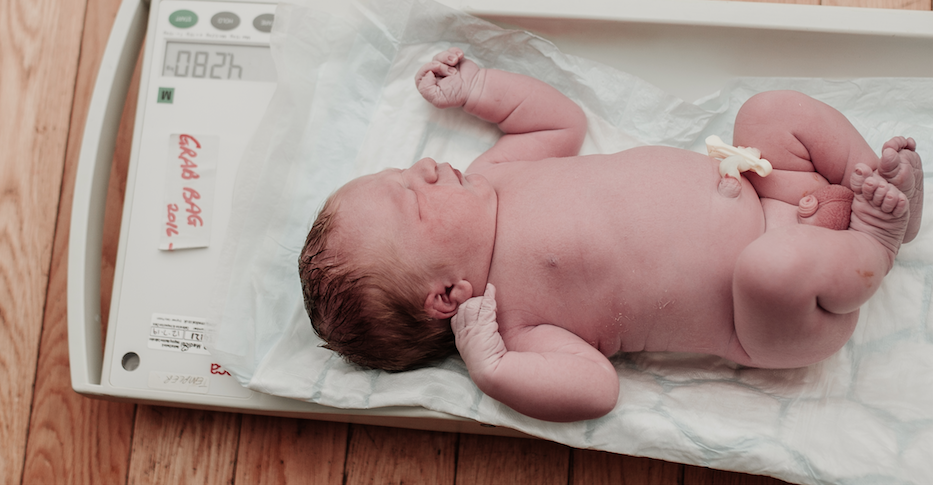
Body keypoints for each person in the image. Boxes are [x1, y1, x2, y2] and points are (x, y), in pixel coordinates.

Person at [298, 48, 923, 422]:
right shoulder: (517, 325)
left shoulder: (494, 178)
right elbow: (596, 390)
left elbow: (557, 121)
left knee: (770, 110)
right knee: (768, 268)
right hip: (777, 311)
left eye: (403, 172)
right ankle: (875, 239)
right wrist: (493, 370)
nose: (425, 168)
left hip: (771, 186)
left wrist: (479, 89)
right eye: (414, 196)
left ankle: (881, 185)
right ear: (448, 295)